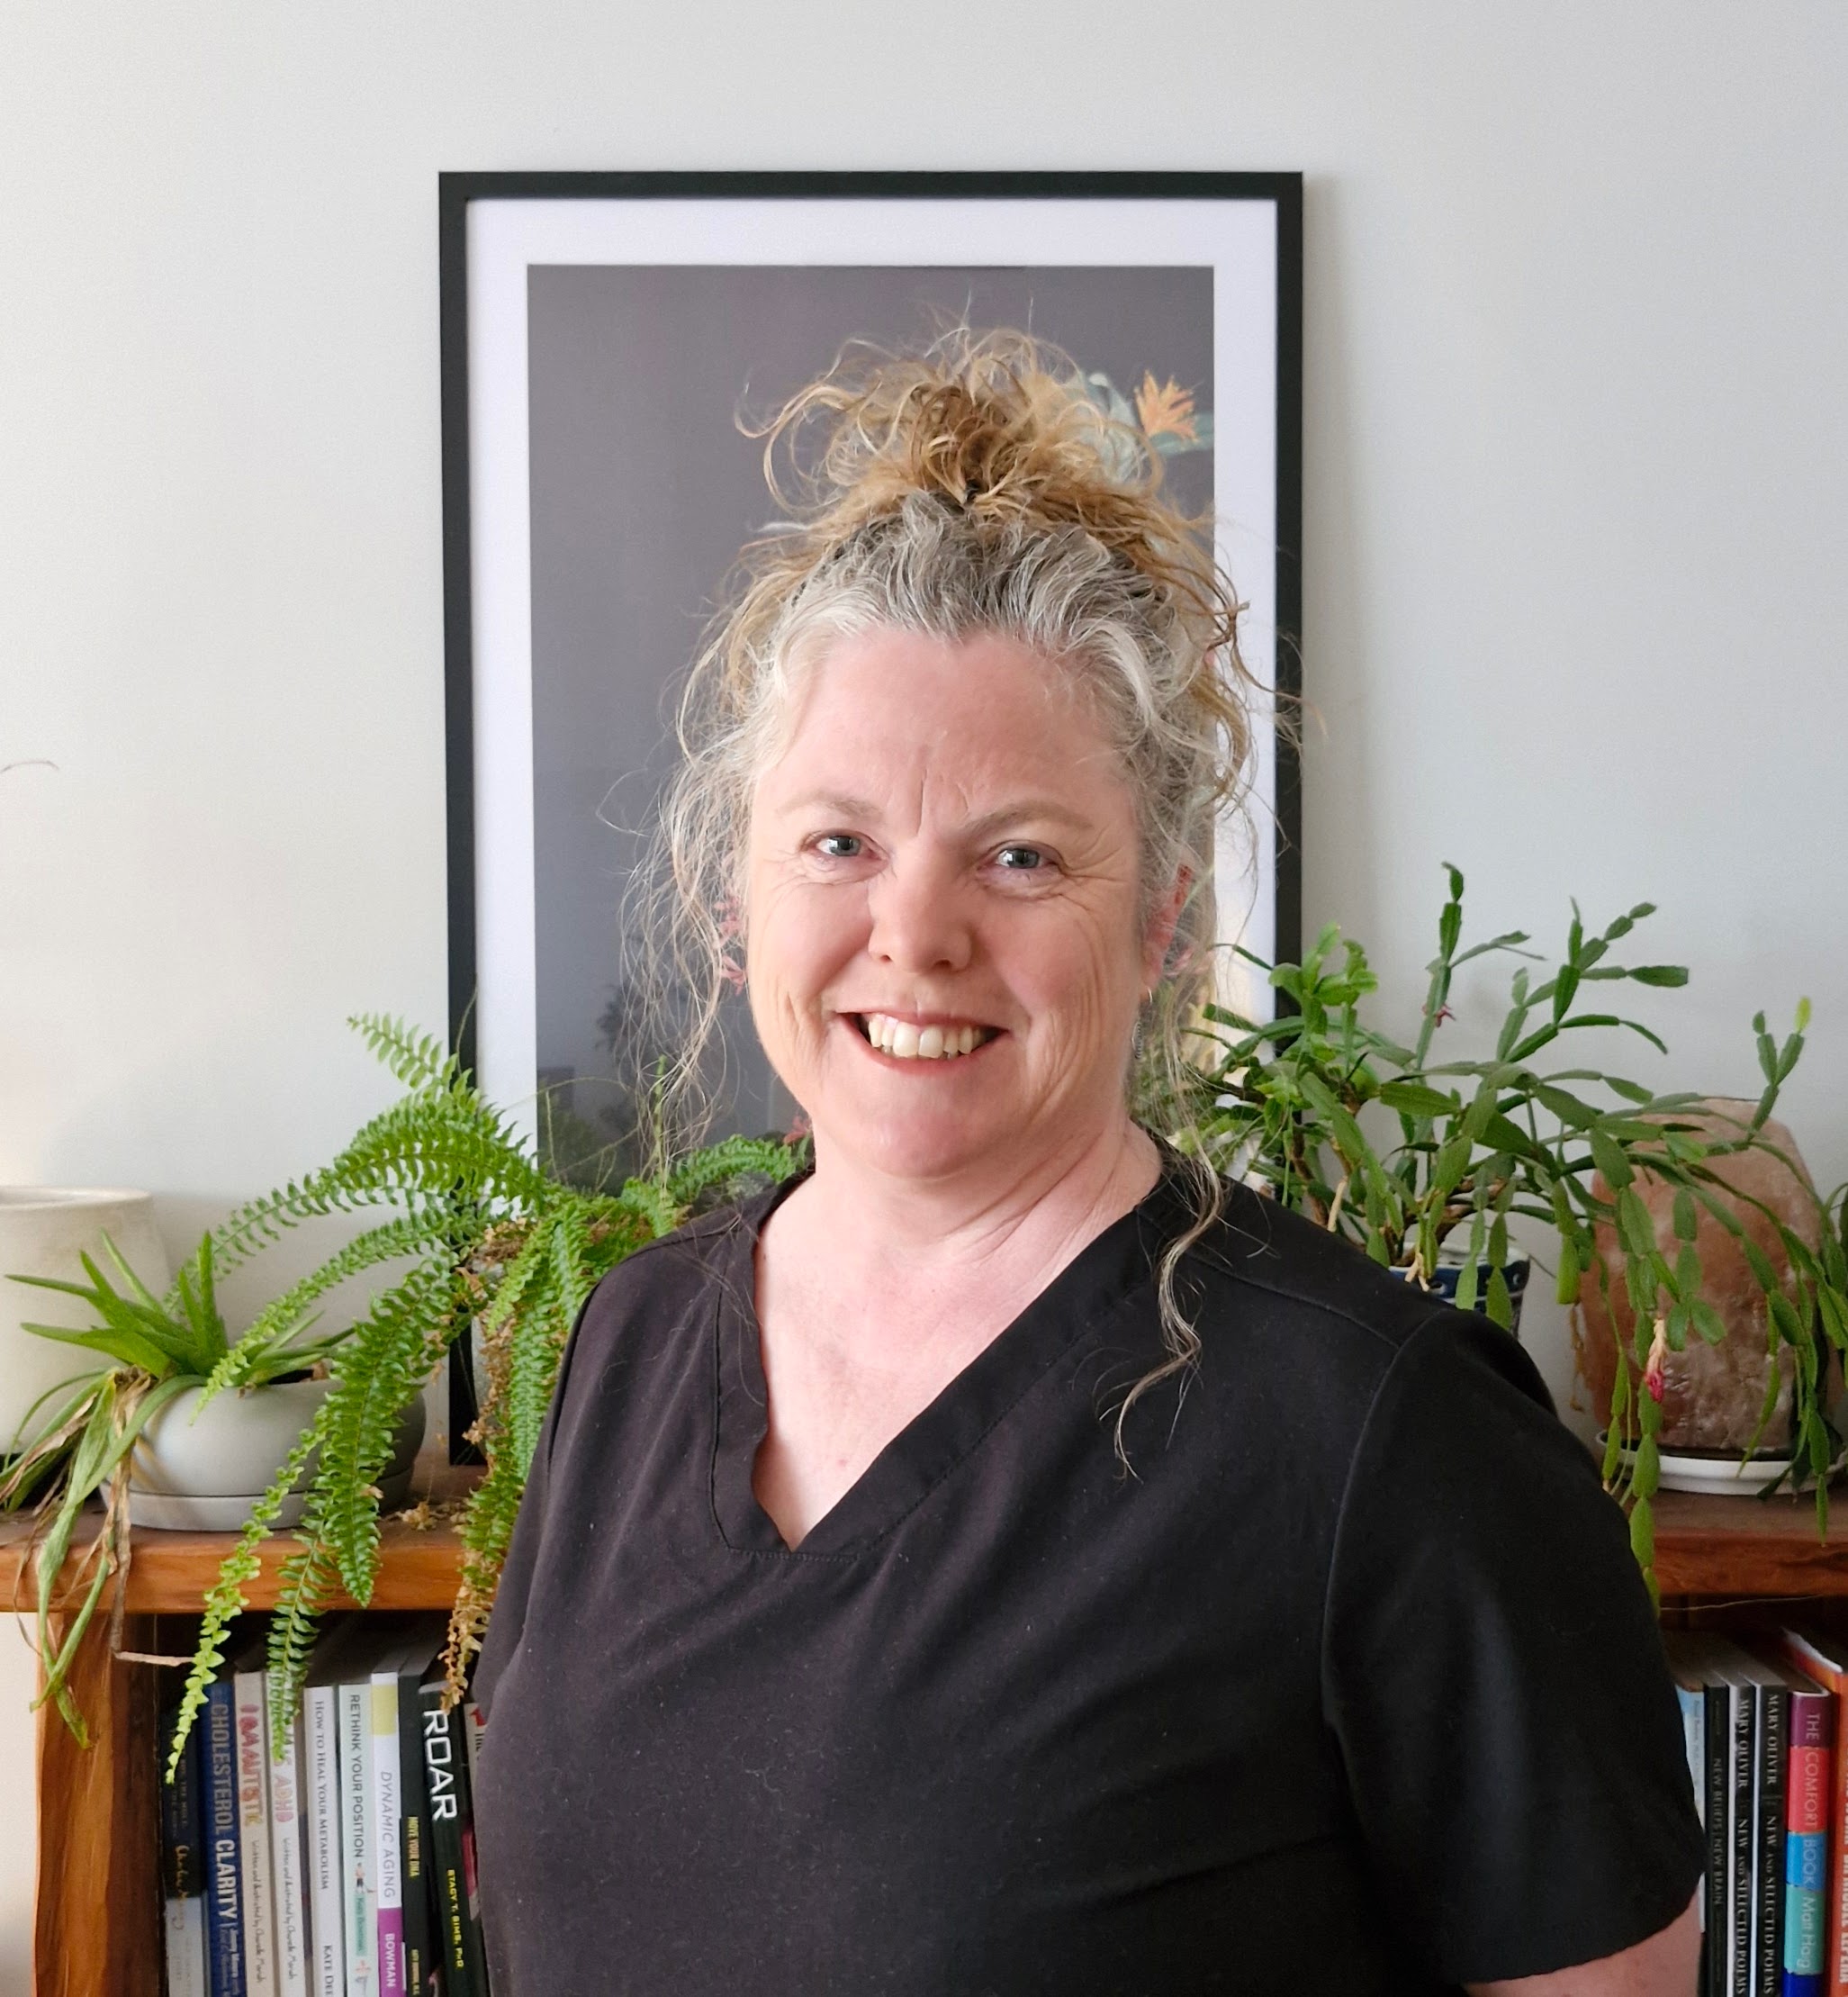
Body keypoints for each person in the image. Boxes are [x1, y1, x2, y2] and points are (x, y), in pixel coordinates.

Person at [472, 330, 1703, 1994]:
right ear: (733, 893)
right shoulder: (629, 1339)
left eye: (1019, 856)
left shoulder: (1384, 1435)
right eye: (838, 840)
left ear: (1162, 923)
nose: (914, 933)